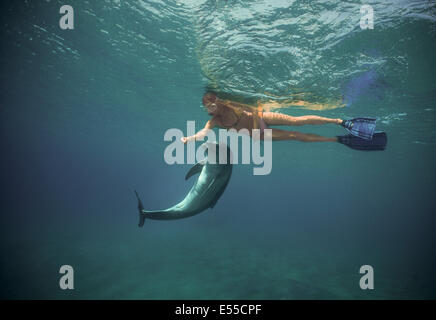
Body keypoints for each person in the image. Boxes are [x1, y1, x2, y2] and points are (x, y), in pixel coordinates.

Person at [181, 92, 342, 143]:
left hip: (262, 119)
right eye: (207, 108)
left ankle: (336, 121)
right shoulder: (215, 121)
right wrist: (190, 138)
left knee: (296, 121)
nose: (210, 110)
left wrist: (257, 125)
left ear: (218, 102)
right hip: (260, 135)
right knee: (293, 135)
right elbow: (204, 132)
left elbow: (254, 109)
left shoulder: (230, 104)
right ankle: (333, 139)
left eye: (212, 106)